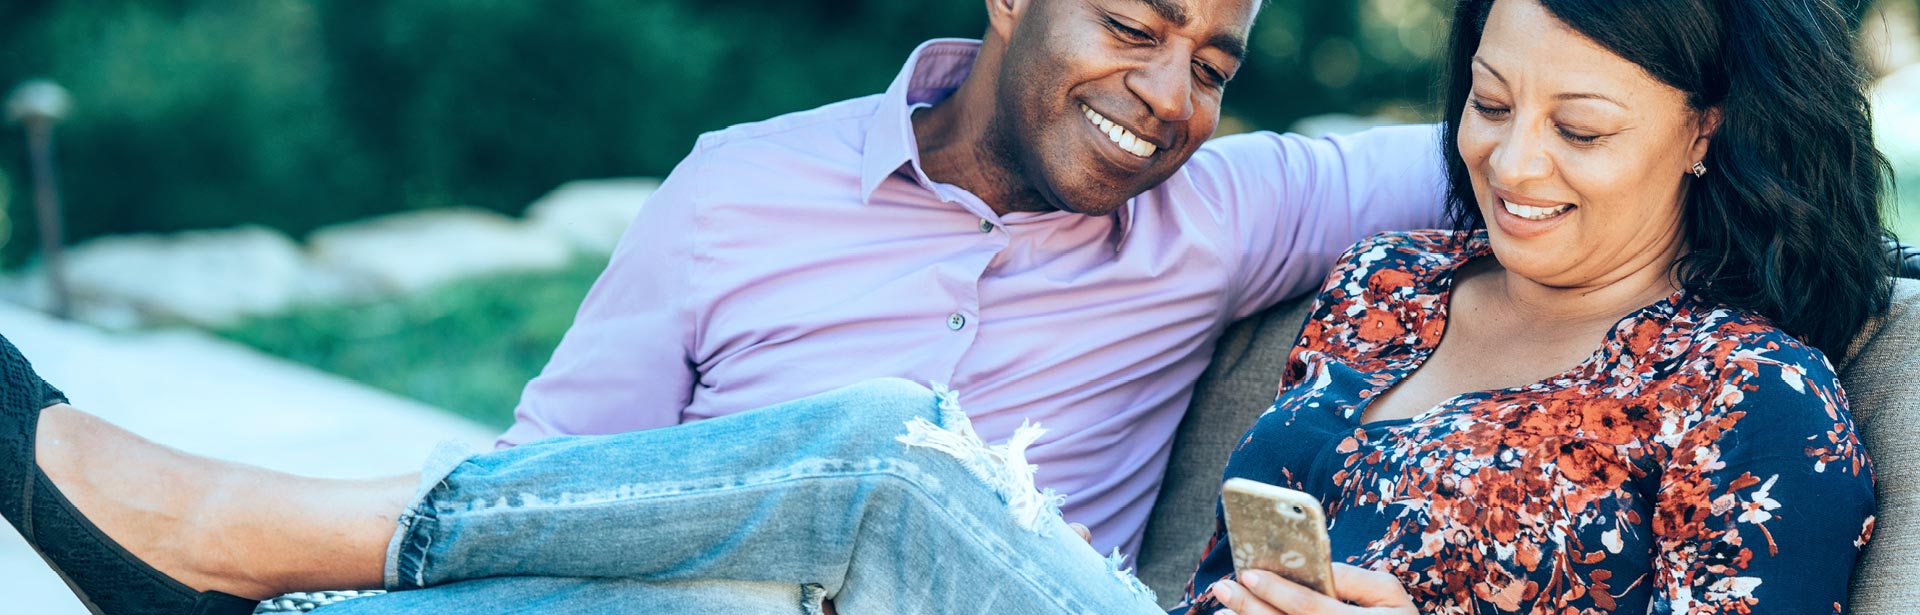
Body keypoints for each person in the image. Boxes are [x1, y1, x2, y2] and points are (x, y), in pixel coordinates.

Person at [0, 0, 1894, 614]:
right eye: (1486, 107)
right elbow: (565, 482)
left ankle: (217, 533)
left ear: (1703, 134)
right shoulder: (1399, 275)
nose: (1514, 162)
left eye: (1215, 59)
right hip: (773, 599)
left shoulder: (1754, 395)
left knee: (895, 459)